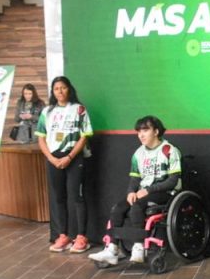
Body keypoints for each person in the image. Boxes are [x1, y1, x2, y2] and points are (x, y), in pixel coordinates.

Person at [89, 115, 181, 266]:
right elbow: (134, 179)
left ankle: (139, 246)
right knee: (118, 209)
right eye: (138, 132)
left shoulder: (169, 150)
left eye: (145, 130)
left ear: (156, 131)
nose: (141, 135)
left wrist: (149, 190)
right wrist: (131, 191)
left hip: (166, 192)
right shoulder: (138, 153)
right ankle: (112, 249)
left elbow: (172, 181)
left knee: (137, 207)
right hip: (144, 192)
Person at [37, 76, 93, 253]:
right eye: (56, 88)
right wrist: (51, 158)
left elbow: (84, 136)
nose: (60, 91)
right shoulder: (47, 112)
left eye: (63, 87)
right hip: (53, 159)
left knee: (77, 197)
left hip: (73, 158)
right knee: (58, 197)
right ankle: (63, 236)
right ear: (52, 92)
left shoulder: (79, 109)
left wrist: (69, 157)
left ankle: (81, 237)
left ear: (69, 89)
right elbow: (41, 138)